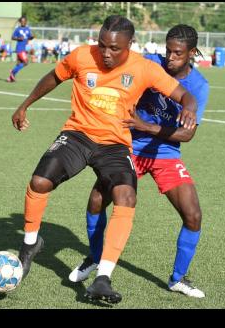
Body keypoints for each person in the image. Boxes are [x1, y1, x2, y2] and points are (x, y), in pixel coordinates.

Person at [10, 15, 197, 304]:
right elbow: (53, 77)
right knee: (39, 181)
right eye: (102, 45)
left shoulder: (145, 68)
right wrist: (25, 105)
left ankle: (102, 277)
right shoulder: (81, 56)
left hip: (115, 144)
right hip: (78, 135)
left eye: (114, 48)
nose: (106, 54)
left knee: (126, 196)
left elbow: (184, 94)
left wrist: (190, 107)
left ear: (130, 45)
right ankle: (30, 245)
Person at [69, 24, 209, 299]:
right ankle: (95, 257)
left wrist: (147, 126)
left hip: (165, 154)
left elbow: (187, 134)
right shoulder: (149, 64)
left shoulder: (199, 86)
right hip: (129, 148)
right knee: (97, 199)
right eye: (168, 50)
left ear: (192, 53)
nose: (170, 57)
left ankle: (178, 279)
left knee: (193, 216)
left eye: (178, 53)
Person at [7, 16, 34, 82]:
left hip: (23, 49)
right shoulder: (18, 29)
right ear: (20, 22)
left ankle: (10, 78)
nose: (23, 22)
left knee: (19, 64)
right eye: (22, 21)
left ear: (26, 22)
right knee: (26, 62)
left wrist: (31, 37)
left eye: (24, 21)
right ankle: (12, 72)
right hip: (20, 49)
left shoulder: (28, 29)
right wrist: (18, 38)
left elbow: (29, 37)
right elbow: (12, 37)